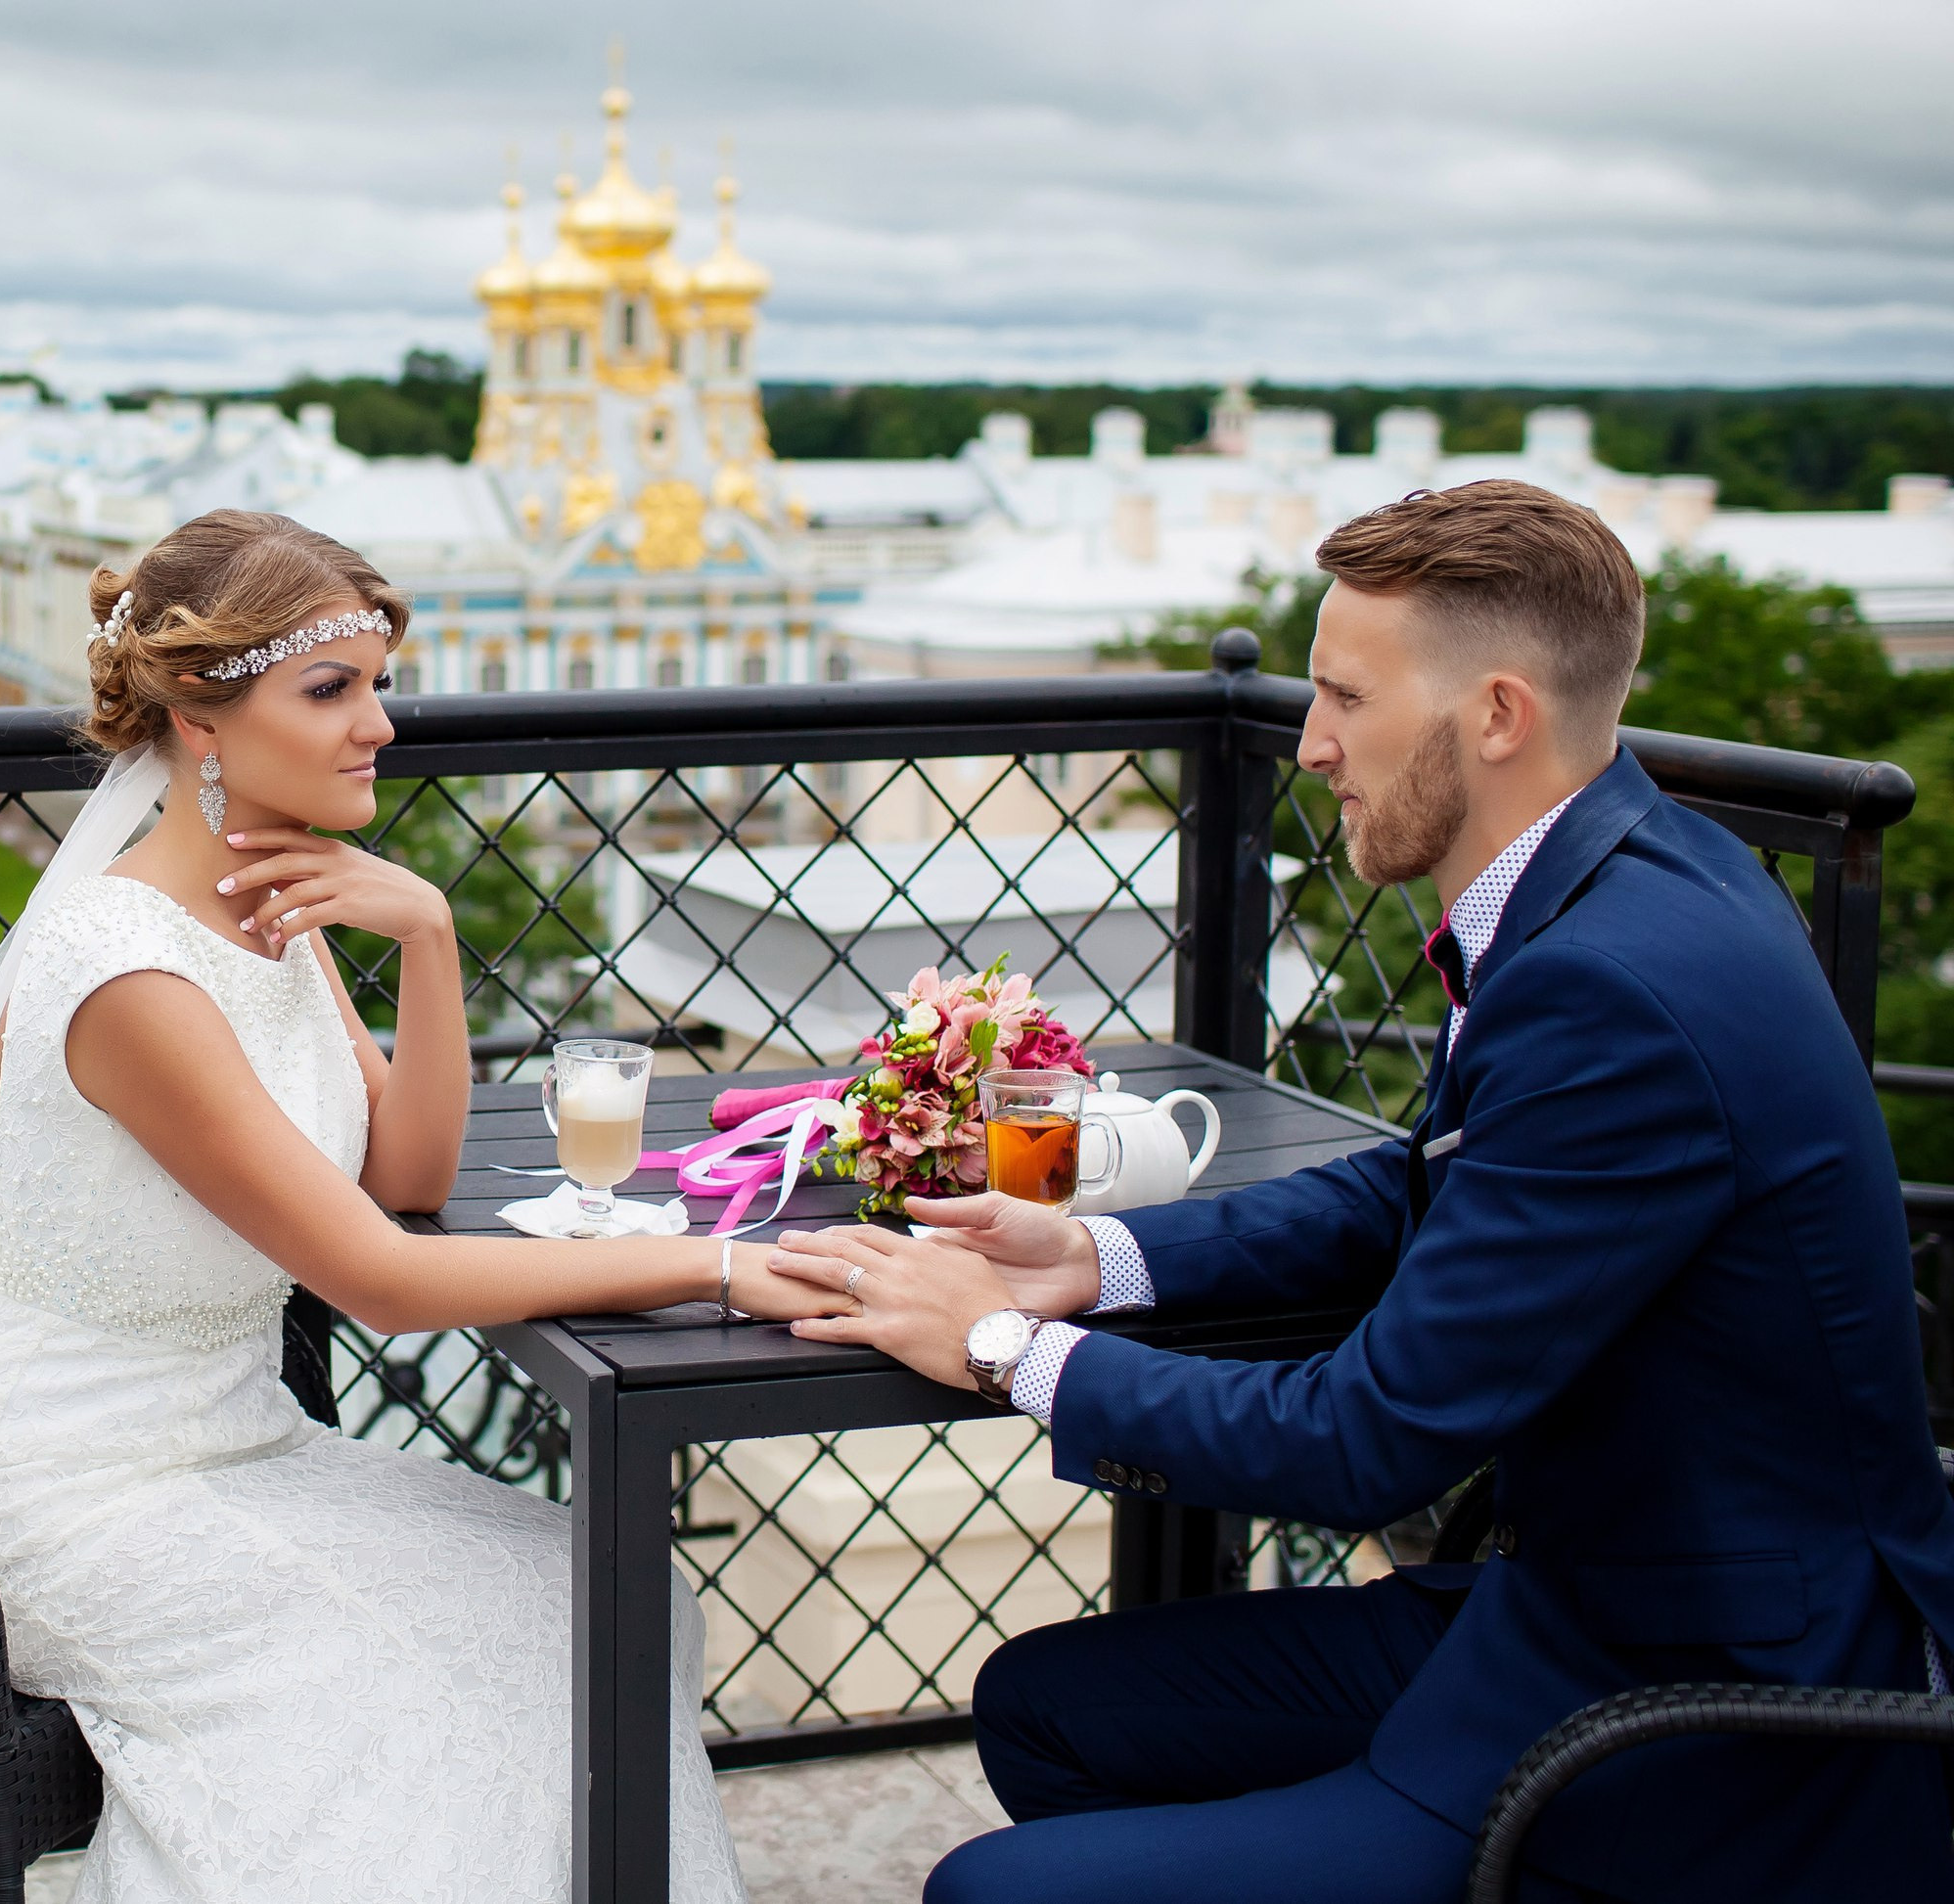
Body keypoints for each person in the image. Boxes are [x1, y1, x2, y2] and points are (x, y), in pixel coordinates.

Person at [766, 479, 1954, 1904]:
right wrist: (1095, 1257)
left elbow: (1363, 1439)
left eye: (1344, 698)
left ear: (1498, 714)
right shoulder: (1638, 869)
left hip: (1705, 1709)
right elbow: (1424, 1186)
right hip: (1572, 1603)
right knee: (1048, 1705)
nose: (1310, 743)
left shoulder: (1612, 984)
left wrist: (998, 1342)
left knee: (989, 1888)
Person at [0, 509, 843, 1902]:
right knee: (432, 1695)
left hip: (233, 1442)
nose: (381, 724)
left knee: (607, 1594)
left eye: (375, 683)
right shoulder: (134, 977)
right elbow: (380, 1275)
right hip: (68, 1493)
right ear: (199, 717)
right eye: (331, 688)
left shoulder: (263, 903)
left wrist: (423, 933)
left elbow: (405, 1175)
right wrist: (712, 1262)